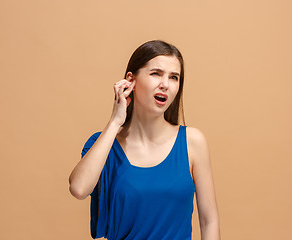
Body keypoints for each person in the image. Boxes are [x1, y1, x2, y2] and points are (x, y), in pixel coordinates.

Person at [69, 40, 220, 239]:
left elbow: (209, 221)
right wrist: (115, 122)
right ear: (130, 80)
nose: (165, 84)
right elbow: (78, 189)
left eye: (174, 77)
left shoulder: (192, 142)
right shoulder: (104, 144)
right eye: (156, 73)